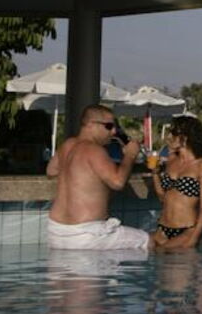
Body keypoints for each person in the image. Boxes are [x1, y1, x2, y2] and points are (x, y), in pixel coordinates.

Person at [46, 105, 152, 250]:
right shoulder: (94, 150)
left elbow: (51, 171)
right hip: (88, 234)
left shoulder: (67, 145)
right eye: (109, 126)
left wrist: (81, 175)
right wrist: (130, 155)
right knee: (149, 242)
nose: (113, 132)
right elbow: (118, 182)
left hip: (57, 232)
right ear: (90, 124)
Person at [148, 115, 202, 249]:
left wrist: (195, 237)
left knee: (161, 252)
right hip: (162, 229)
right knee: (140, 249)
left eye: (173, 133)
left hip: (186, 231)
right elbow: (162, 197)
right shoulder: (171, 160)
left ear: (186, 137)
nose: (169, 137)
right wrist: (155, 173)